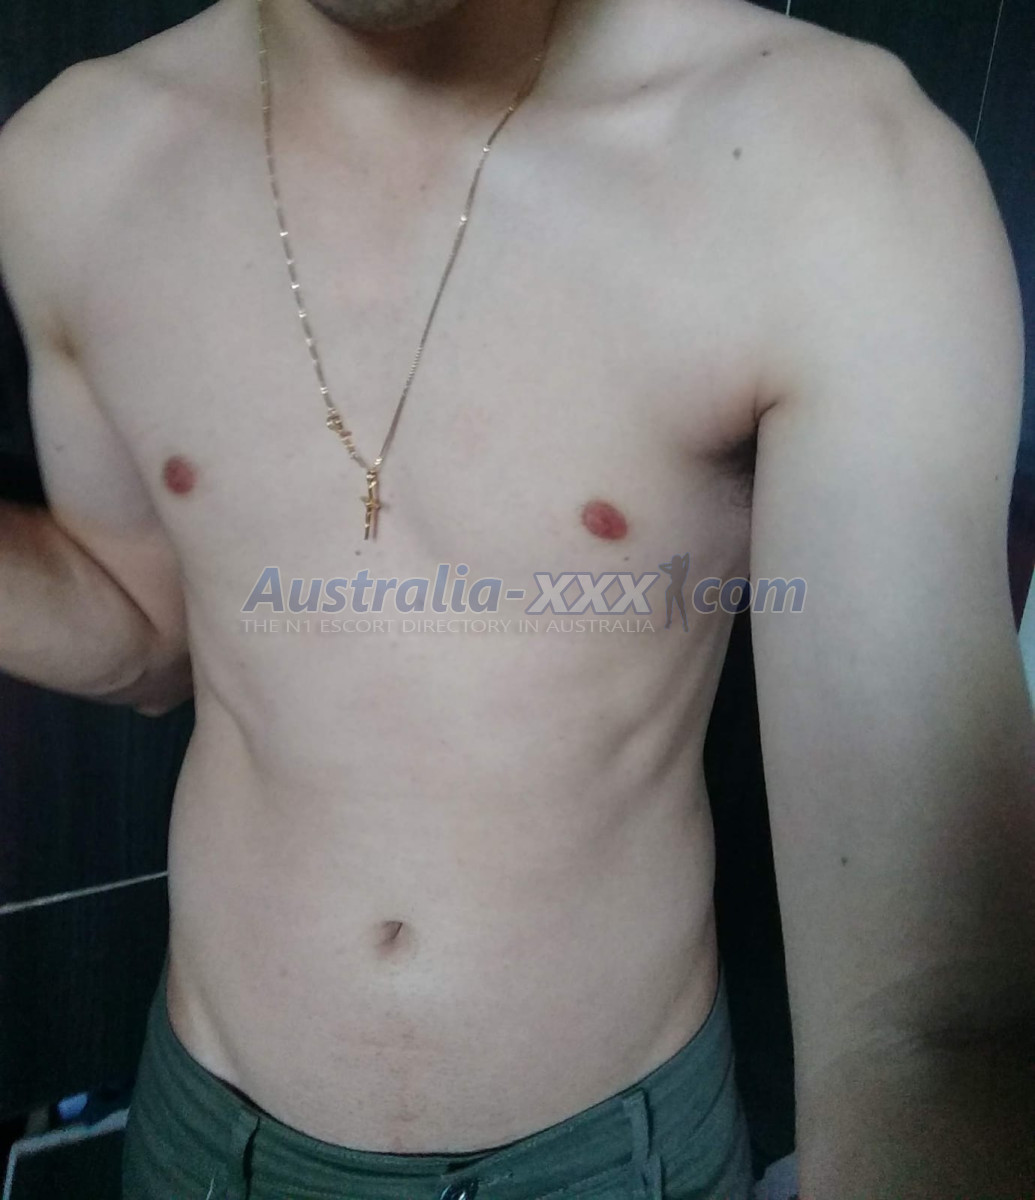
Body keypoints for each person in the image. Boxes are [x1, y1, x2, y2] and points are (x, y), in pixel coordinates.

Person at [1, 0, 1032, 1195]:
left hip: (605, 1159)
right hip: (202, 1134)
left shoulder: (830, 174)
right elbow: (145, 636)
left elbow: (926, 1034)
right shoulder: (75, 169)